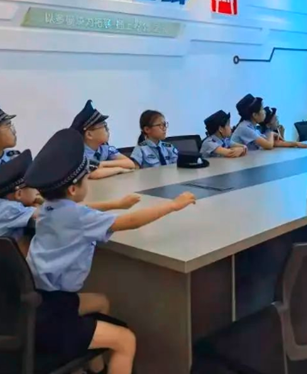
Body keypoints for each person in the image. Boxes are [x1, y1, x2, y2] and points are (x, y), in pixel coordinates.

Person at [24, 129, 196, 374]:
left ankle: (95, 369)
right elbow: (130, 222)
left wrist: (116, 204)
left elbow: (82, 211)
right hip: (53, 315)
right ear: (73, 189)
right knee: (125, 340)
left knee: (101, 302)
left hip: (37, 301)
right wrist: (173, 205)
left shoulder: (47, 209)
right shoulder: (78, 217)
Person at [70, 100, 135, 179]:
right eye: (104, 126)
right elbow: (94, 174)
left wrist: (102, 164)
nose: (108, 129)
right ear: (89, 135)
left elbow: (130, 164)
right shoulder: (79, 154)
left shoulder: (105, 149)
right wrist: (120, 169)